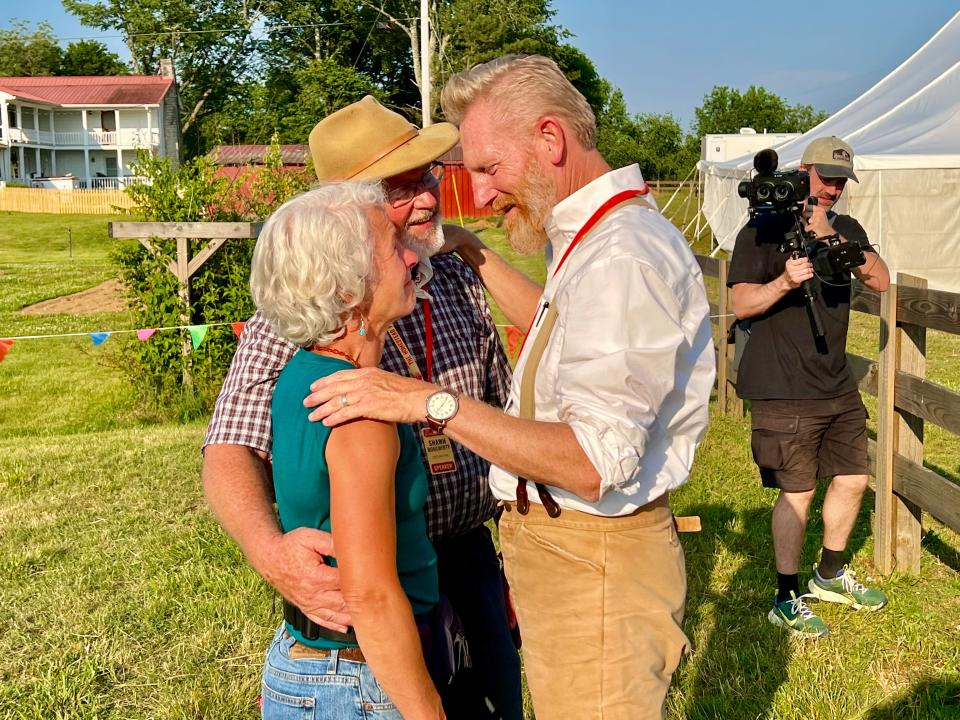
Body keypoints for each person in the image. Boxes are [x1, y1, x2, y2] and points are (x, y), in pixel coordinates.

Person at [303, 54, 716, 720]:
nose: (482, 195)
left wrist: (427, 402)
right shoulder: (594, 238)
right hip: (555, 553)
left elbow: (589, 464)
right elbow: (565, 331)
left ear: (550, 140)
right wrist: (474, 251)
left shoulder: (619, 257)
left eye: (487, 169)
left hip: (590, 555)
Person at [202, 97, 520, 718]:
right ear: (349, 206)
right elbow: (228, 444)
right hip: (375, 585)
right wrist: (271, 554)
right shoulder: (308, 305)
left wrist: (474, 251)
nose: (429, 196)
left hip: (465, 561)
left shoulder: (453, 276)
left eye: (429, 175)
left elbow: (542, 359)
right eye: (402, 188)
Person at [250, 182, 443, 719]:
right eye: (391, 246)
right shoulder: (358, 409)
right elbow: (372, 598)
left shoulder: (305, 373)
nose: (411, 254)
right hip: (358, 680)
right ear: (344, 290)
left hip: (319, 671)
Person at [728, 136, 891, 638]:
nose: (833, 188)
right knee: (797, 493)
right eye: (826, 177)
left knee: (853, 478)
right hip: (782, 383)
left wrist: (831, 238)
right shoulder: (763, 228)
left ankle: (830, 574)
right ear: (804, 171)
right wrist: (783, 283)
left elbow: (881, 280)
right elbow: (740, 303)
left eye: (841, 181)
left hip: (836, 383)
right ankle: (785, 596)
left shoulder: (845, 228)